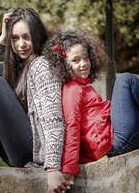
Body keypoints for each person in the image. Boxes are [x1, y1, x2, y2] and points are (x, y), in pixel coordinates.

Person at [0, 8, 73, 193]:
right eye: (14, 38)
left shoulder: (42, 65)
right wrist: (1, 40)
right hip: (16, 151)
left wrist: (53, 167)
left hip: (33, 154)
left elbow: (53, 118)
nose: (20, 44)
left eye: (26, 37)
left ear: (38, 36)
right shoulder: (15, 67)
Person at [42, 30, 139, 182]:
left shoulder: (82, 86)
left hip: (114, 138)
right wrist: (69, 169)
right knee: (125, 80)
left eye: (85, 58)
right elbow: (71, 127)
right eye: (75, 60)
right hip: (116, 142)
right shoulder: (72, 90)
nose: (83, 64)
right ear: (63, 64)